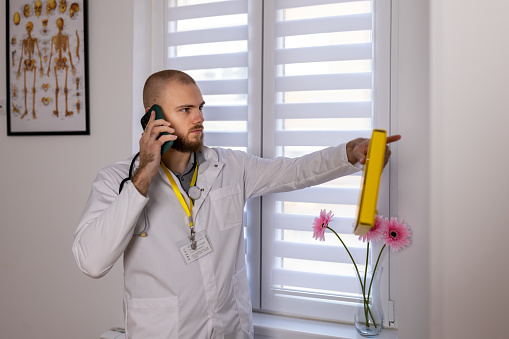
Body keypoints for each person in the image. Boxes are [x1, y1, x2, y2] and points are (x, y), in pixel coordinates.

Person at [72, 70, 401, 339]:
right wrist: (143, 176)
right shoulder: (116, 180)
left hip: (230, 331)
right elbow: (92, 261)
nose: (199, 117)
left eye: (200, 107)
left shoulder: (230, 166)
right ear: (153, 119)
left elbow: (294, 171)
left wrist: (350, 153)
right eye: (185, 110)